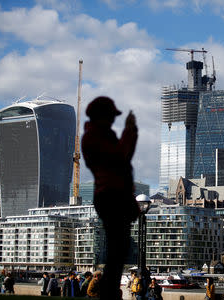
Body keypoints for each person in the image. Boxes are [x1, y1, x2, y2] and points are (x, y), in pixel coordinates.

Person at [82, 96, 140, 300]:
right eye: (109, 116)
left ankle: (110, 292)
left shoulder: (103, 136)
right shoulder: (94, 138)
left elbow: (123, 159)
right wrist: (130, 131)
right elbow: (121, 157)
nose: (112, 120)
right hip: (111, 197)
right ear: (100, 116)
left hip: (115, 196)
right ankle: (108, 293)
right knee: (117, 249)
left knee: (120, 248)